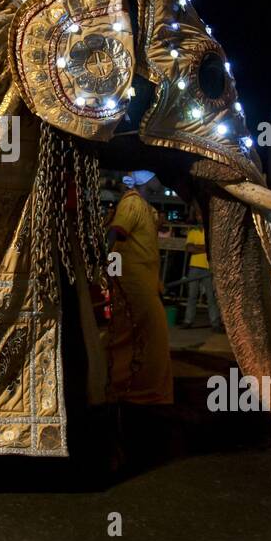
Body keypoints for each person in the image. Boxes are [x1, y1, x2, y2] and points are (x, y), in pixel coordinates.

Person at [105, 171, 172, 404]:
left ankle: (143, 389)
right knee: (148, 332)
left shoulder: (144, 205)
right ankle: (134, 390)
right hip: (133, 279)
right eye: (155, 175)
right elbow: (115, 232)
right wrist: (103, 263)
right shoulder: (132, 202)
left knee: (148, 333)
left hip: (145, 278)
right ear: (145, 180)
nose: (160, 179)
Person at [182, 207, 222, 332]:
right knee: (192, 295)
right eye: (198, 215)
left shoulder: (211, 232)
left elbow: (211, 248)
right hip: (194, 267)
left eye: (201, 215)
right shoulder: (193, 231)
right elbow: (189, 248)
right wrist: (204, 248)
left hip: (208, 267)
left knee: (211, 297)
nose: (200, 217)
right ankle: (188, 321)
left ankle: (215, 323)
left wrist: (198, 248)